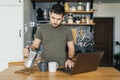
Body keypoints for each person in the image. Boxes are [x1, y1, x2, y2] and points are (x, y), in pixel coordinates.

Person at [23, 3, 75, 68]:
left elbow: (71, 47)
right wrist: (29, 49)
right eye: (53, 18)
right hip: (45, 66)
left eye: (58, 19)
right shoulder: (42, 28)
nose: (55, 21)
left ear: (63, 17)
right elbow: (35, 46)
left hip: (62, 66)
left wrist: (69, 59)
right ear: (50, 14)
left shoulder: (67, 30)